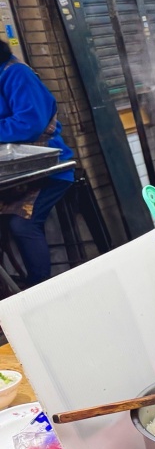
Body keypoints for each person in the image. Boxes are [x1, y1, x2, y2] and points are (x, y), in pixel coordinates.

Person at [0, 42, 74, 285]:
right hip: (12, 171)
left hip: (47, 166)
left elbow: (29, 124)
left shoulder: (15, 74)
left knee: (22, 224)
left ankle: (39, 288)